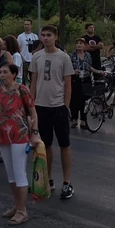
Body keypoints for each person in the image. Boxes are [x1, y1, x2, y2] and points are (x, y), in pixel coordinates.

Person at [29, 25, 76, 200]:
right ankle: (47, 179)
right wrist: (30, 106)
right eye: (43, 35)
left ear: (55, 37)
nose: (46, 38)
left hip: (58, 107)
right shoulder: (36, 57)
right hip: (41, 106)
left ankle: (67, 182)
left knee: (64, 144)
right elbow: (33, 82)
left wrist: (66, 106)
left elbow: (68, 84)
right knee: (45, 144)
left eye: (49, 35)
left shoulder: (64, 57)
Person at [0, 63, 39, 224]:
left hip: (20, 133)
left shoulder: (21, 89)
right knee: (10, 174)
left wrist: (35, 134)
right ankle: (17, 205)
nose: (1, 75)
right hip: (4, 134)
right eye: (0, 72)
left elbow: (32, 111)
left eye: (5, 72)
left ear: (14, 74)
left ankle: (22, 210)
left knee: (19, 172)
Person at [70, 37, 103, 129]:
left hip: (86, 79)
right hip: (75, 80)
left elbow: (89, 67)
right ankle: (74, 119)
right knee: (74, 101)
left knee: (85, 101)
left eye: (81, 43)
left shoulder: (88, 55)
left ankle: (84, 120)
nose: (79, 45)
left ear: (84, 45)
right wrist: (73, 71)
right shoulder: (72, 55)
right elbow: (67, 68)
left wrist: (99, 71)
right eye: (77, 43)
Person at [18, 20, 38, 86]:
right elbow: (18, 48)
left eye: (28, 24)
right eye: (25, 24)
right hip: (24, 60)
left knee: (33, 78)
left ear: (31, 26)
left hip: (33, 60)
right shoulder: (20, 36)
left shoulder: (35, 36)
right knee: (24, 78)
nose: (26, 26)